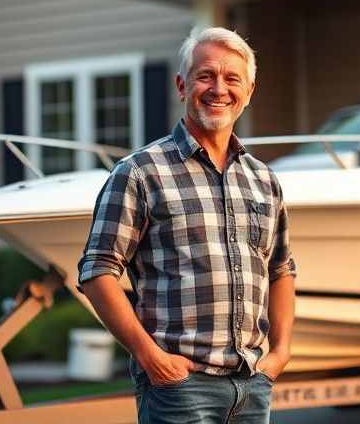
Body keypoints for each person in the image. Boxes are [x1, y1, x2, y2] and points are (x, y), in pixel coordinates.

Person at [78, 27, 296, 424]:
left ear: (248, 92)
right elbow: (97, 271)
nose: (219, 89)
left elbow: (280, 269)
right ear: (182, 86)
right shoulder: (140, 172)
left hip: (252, 386)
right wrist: (151, 358)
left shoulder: (264, 179)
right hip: (179, 388)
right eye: (205, 76)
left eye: (232, 78)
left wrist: (280, 354)